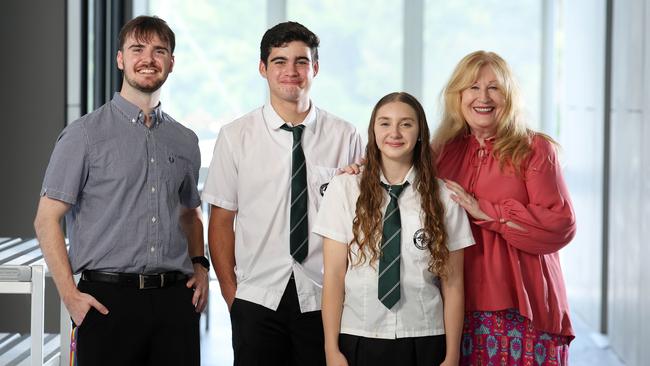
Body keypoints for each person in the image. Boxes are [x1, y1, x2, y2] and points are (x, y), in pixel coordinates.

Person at [33, 16, 208, 366]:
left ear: (171, 62)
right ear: (120, 59)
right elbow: (46, 219)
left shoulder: (185, 140)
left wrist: (200, 266)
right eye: (137, 49)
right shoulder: (83, 135)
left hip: (175, 302)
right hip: (106, 302)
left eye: (160, 51)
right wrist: (70, 295)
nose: (149, 59)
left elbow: (190, 214)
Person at [202, 21, 364, 366]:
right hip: (257, 300)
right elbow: (220, 222)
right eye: (279, 61)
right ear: (263, 68)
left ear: (315, 68)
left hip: (326, 299)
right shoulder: (236, 136)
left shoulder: (345, 136)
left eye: (301, 61)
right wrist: (234, 298)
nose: (291, 71)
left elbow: (358, 223)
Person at [432, 50, 576, 365]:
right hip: (456, 303)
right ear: (458, 96)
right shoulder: (440, 152)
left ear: (509, 96)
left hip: (524, 306)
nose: (483, 97)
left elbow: (560, 224)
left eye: (494, 87)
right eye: (472, 87)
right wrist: (359, 170)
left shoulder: (535, 149)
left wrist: (489, 212)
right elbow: (395, 180)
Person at [315, 92, 475, 366]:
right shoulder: (344, 188)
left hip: (425, 336)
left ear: (420, 132)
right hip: (360, 334)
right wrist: (332, 349)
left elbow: (453, 284)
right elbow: (333, 276)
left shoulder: (444, 197)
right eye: (385, 123)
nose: (395, 132)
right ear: (373, 130)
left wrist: (451, 355)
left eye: (406, 124)